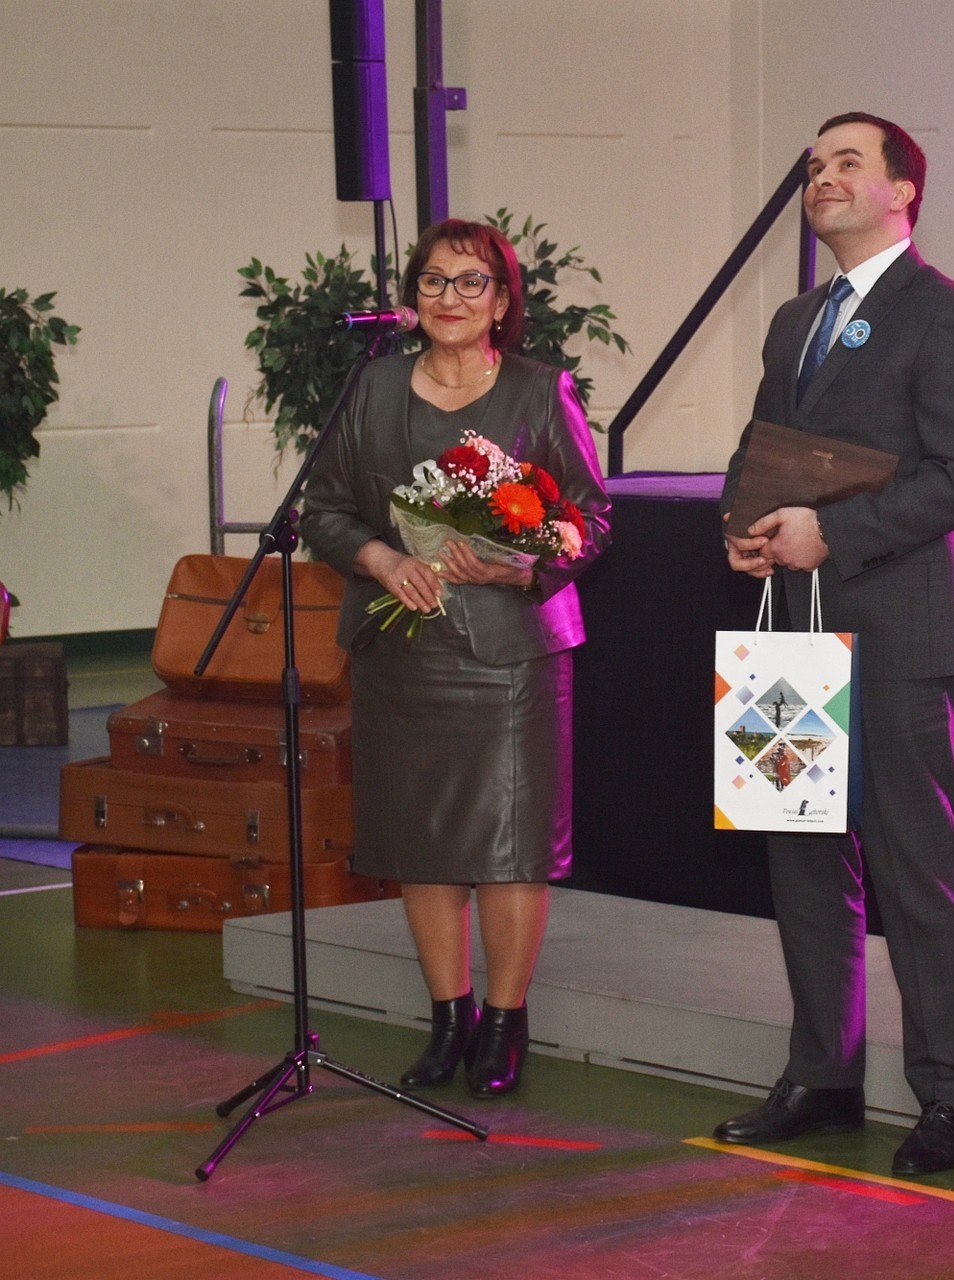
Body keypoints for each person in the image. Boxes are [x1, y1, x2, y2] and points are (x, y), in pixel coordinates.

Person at [716, 112, 954, 1176]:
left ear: (902, 191)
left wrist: (832, 533)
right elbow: (762, 448)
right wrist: (742, 528)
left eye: (849, 162)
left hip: (901, 633)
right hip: (791, 630)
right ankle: (823, 1076)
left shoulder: (950, 314)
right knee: (801, 860)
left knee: (914, 866)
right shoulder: (795, 319)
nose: (824, 178)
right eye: (814, 166)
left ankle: (950, 1095)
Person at [305, 217, 610, 1098]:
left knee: (509, 849)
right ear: (413, 296)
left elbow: (592, 518)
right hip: (401, 650)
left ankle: (506, 1024)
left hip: (511, 658)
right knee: (423, 842)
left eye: (471, 282)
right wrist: (380, 558)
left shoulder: (540, 392)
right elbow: (323, 509)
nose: (450, 297)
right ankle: (449, 1019)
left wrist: (522, 565)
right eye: (434, 281)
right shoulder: (370, 389)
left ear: (502, 301)